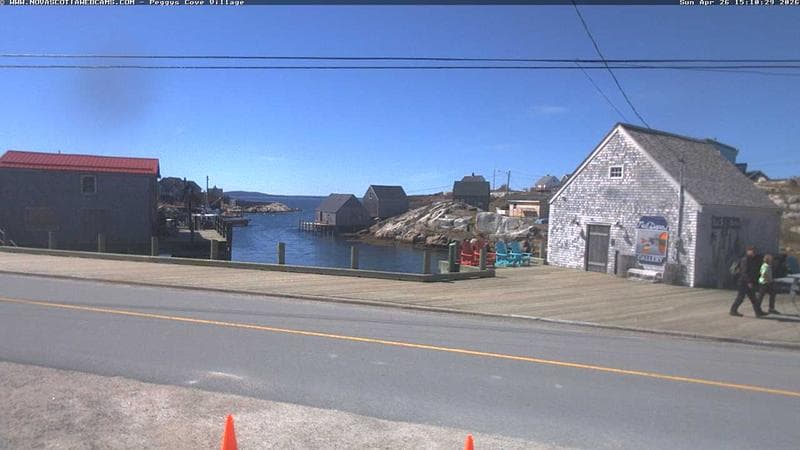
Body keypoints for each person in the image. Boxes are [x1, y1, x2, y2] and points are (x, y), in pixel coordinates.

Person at [730, 245, 767, 317]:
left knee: (754, 298)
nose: (753, 252)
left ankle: (758, 312)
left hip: (751, 282)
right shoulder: (745, 260)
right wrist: (749, 282)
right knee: (740, 298)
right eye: (751, 250)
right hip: (743, 282)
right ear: (747, 251)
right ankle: (733, 310)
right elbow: (744, 272)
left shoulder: (754, 259)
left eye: (753, 250)